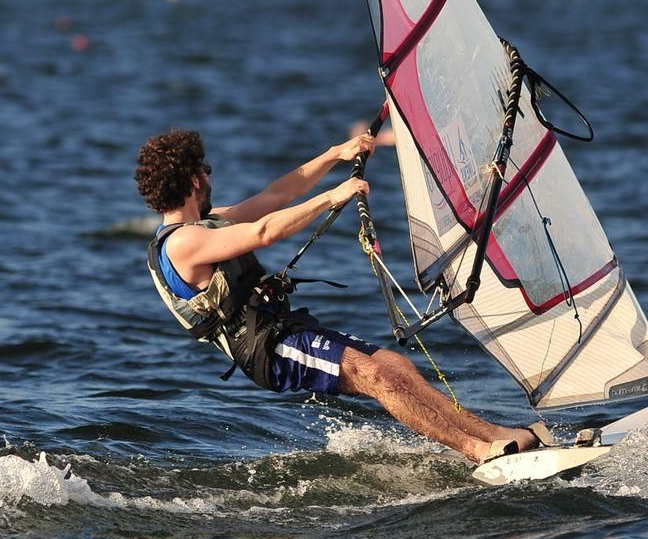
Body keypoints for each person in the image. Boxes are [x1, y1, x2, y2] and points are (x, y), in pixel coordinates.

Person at [135, 127, 549, 464]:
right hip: (268, 350)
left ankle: (498, 434)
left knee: (394, 365)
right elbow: (264, 231)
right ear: (194, 180)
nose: (210, 177)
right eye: (205, 170)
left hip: (282, 329)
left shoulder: (209, 223)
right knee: (378, 377)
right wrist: (333, 196)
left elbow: (277, 197)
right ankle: (479, 452)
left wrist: (335, 153)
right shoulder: (182, 244)